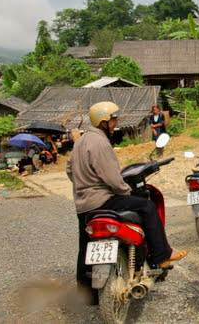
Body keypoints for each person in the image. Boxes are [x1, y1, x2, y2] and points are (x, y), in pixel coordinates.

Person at [67, 101, 186, 301]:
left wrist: (83, 185)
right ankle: (161, 254)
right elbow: (112, 177)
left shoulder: (81, 141)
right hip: (103, 201)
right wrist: (126, 191)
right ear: (103, 122)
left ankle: (87, 294)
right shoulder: (100, 143)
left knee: (85, 245)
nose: (116, 122)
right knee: (147, 206)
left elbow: (70, 170)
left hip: (83, 205)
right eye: (113, 119)